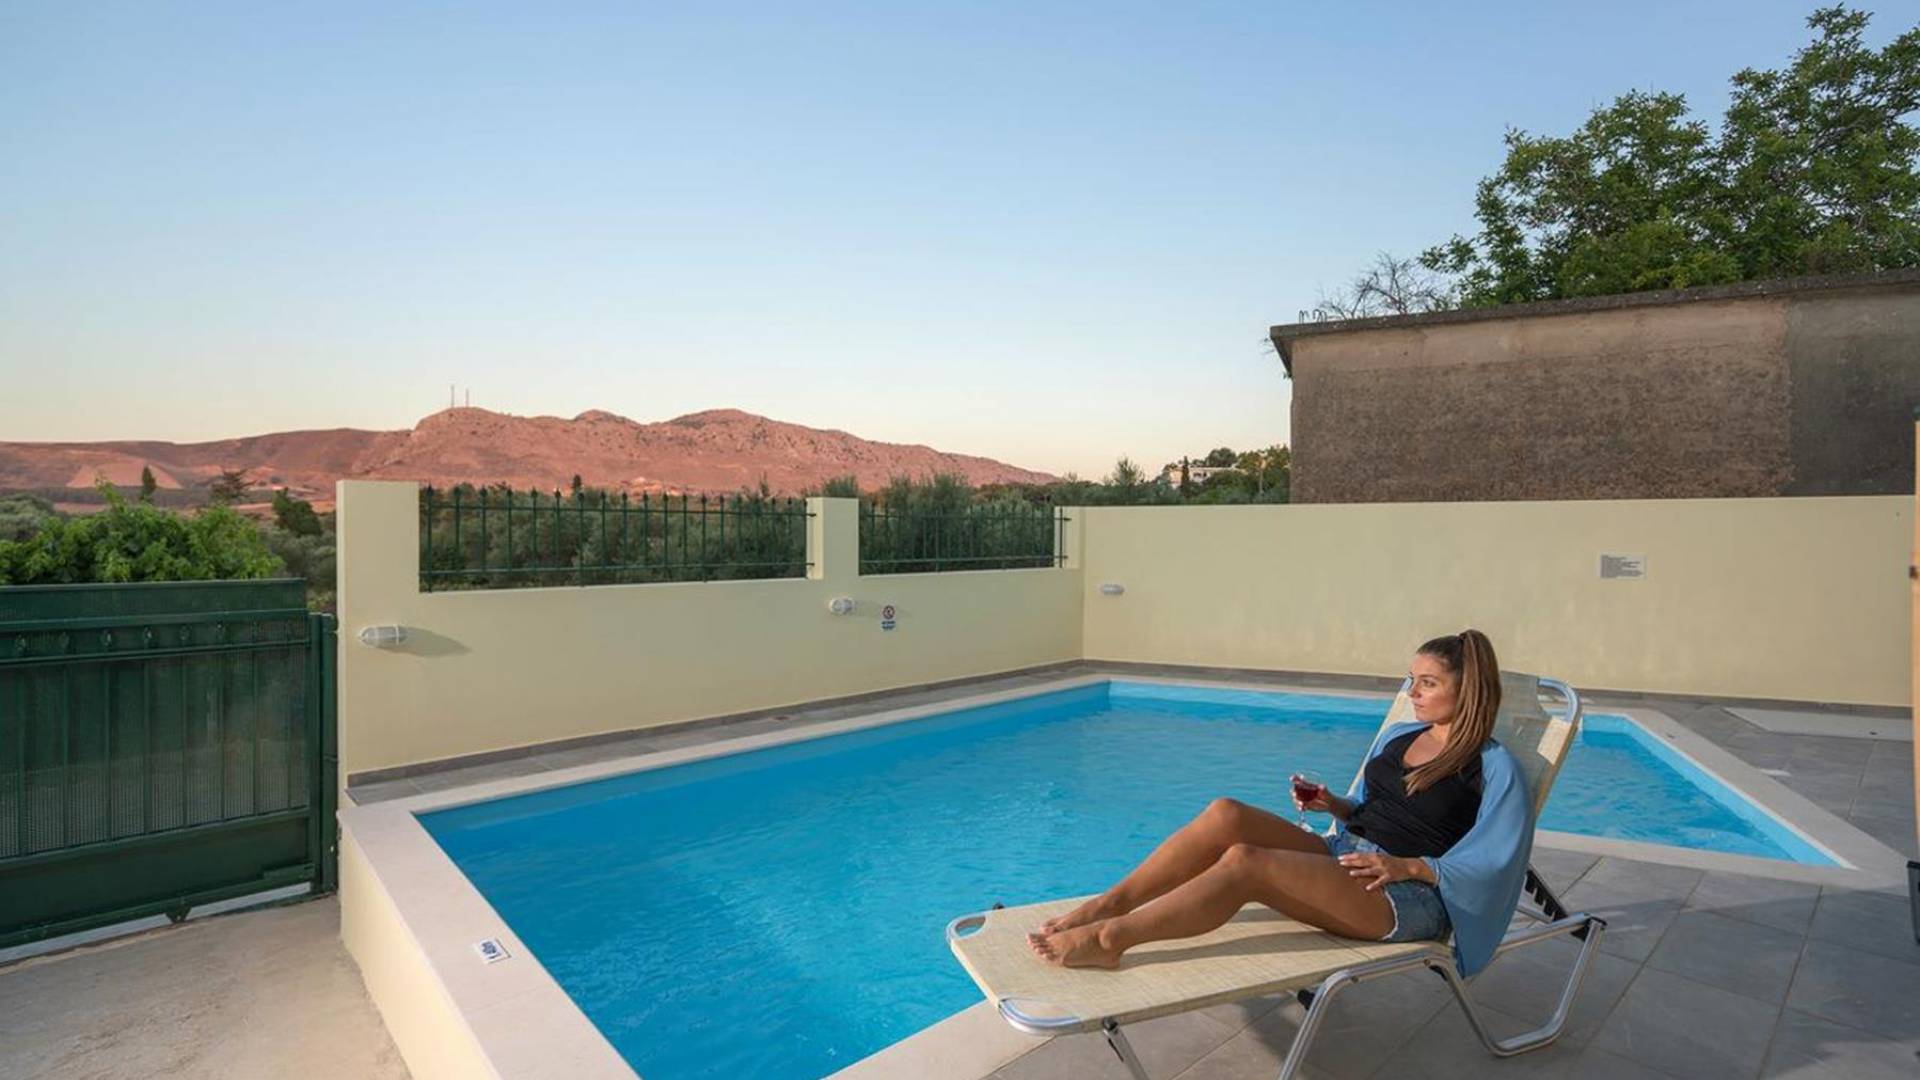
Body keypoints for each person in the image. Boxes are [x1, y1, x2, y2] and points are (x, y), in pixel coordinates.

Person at [1027, 629, 1534, 978]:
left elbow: (1497, 862)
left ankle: (1111, 940)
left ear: (1468, 690)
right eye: (1412, 679)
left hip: (1404, 895)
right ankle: (1109, 903)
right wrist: (1335, 805)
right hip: (1347, 857)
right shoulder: (1400, 736)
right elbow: (1375, 809)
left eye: (1428, 683)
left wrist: (1409, 867)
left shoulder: (1493, 767)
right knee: (1226, 813)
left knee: (1246, 862)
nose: (1412, 693)